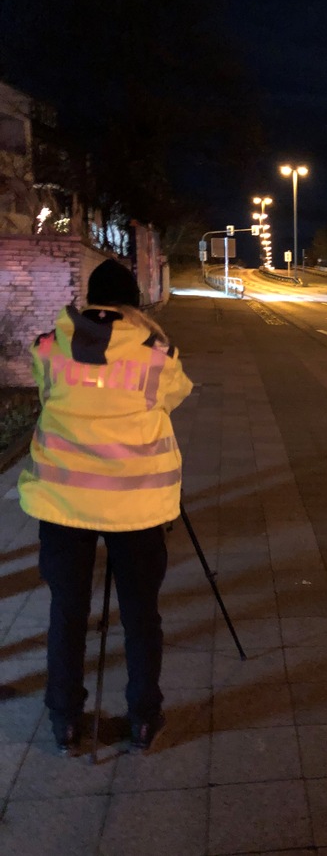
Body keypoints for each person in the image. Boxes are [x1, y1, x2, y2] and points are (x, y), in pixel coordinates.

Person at [18, 258, 193, 755]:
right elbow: (174, 397)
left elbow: (48, 391)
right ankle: (143, 718)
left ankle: (66, 719)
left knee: (67, 611)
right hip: (135, 507)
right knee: (141, 615)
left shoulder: (49, 348)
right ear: (132, 303)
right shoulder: (158, 354)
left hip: (62, 503)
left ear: (90, 298)